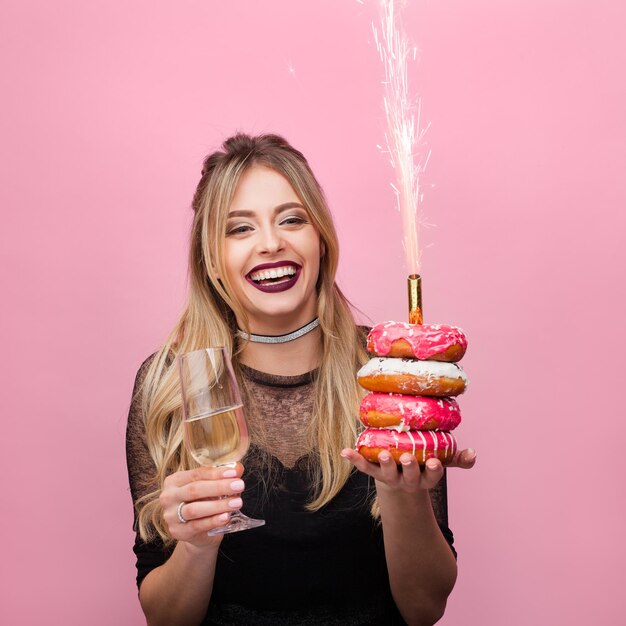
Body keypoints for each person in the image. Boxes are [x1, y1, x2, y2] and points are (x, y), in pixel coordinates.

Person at [126, 133, 476, 626]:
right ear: (210, 259)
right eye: (239, 229)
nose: (271, 243)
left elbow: (424, 609)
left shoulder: (390, 374)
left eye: (292, 219)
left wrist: (403, 495)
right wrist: (198, 545)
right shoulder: (165, 386)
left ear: (321, 239)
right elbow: (166, 619)